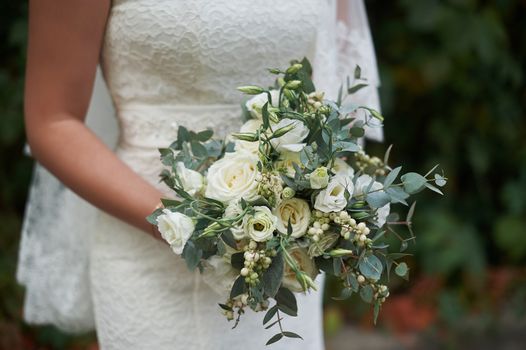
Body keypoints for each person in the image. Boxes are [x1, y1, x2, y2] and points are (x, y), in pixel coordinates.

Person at [17, 1, 382, 349]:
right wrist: (189, 228)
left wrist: (318, 207)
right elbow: (53, 121)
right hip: (149, 249)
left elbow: (341, 101)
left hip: (280, 255)